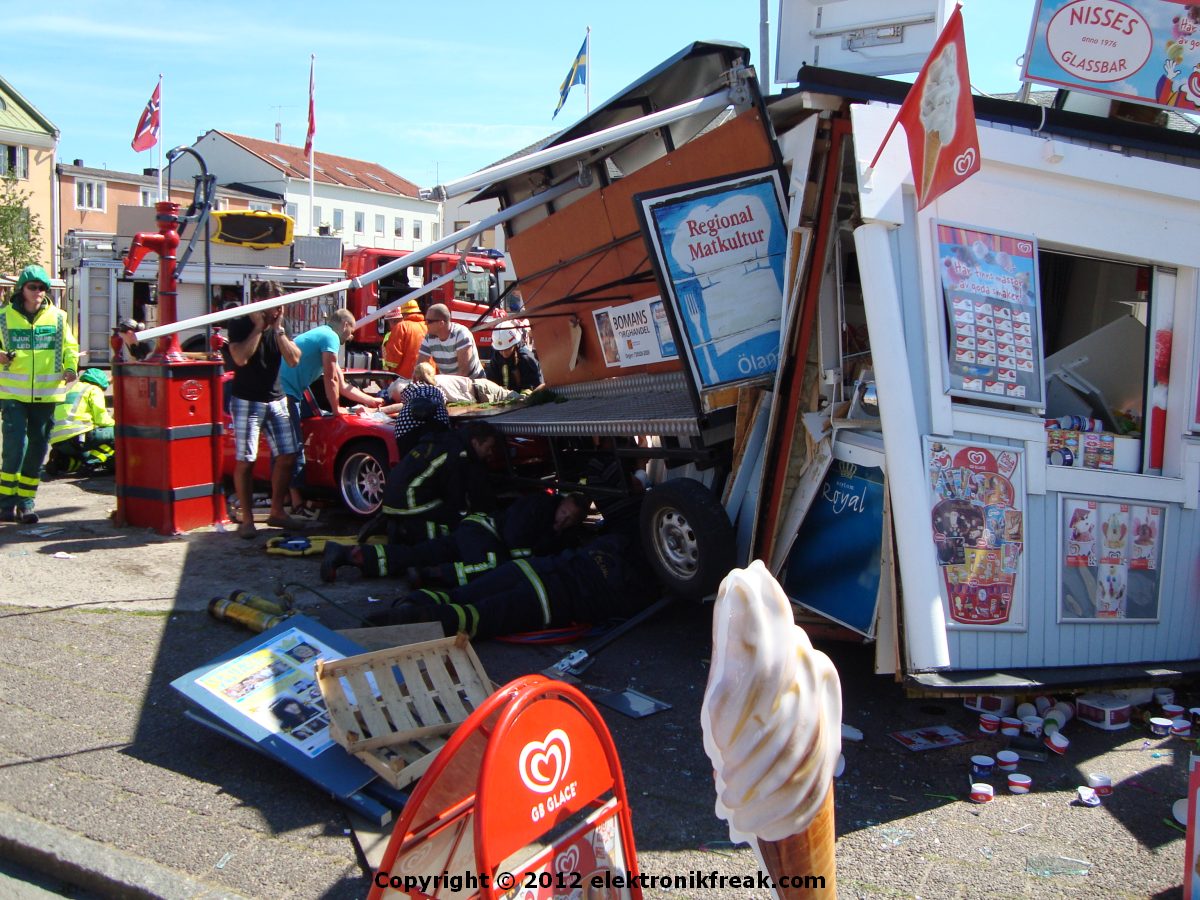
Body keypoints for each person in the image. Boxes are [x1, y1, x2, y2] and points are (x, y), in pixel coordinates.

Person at [368, 531, 658, 641]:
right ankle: (408, 622)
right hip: (550, 597)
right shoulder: (649, 588)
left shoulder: (619, 538)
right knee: (474, 617)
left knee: (457, 596)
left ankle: (407, 609)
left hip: (532, 568)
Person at [321, 490, 588, 584]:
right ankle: (433, 575)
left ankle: (347, 556)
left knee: (418, 553)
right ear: (561, 503)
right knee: (495, 567)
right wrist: (539, 547)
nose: (562, 520)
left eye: (569, 520)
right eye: (564, 512)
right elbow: (513, 538)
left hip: (474, 534)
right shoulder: (540, 506)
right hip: (484, 533)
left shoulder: (560, 530)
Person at [280, 308, 383, 513]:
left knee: (288, 448)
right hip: (285, 394)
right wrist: (337, 410)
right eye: (351, 330)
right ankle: (295, 501)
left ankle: (285, 498)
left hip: (287, 391)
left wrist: (372, 401)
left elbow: (343, 385)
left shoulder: (322, 336)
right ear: (344, 325)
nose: (351, 336)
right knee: (293, 448)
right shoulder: (330, 337)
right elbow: (331, 377)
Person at [0, 266, 79, 523]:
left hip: (46, 395)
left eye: (42, 288)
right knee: (15, 447)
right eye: (33, 287)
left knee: (37, 448)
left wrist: (70, 367)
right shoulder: (3, 317)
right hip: (12, 394)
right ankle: (5, 503)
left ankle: (26, 502)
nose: (38, 292)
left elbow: (70, 347)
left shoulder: (58, 318)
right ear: (21, 289)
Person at [226, 285, 306, 538]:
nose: (279, 309)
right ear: (259, 302)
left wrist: (278, 329)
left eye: (281, 304)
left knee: (288, 454)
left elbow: (294, 359)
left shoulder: (280, 325)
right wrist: (259, 327)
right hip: (246, 399)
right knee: (246, 459)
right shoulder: (239, 320)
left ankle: (277, 512)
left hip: (276, 398)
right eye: (275, 303)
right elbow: (240, 357)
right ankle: (247, 520)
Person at [376, 420, 499, 544]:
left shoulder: (447, 441)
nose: (490, 453)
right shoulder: (457, 455)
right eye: (488, 448)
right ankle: (428, 544)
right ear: (475, 443)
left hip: (391, 498)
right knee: (450, 518)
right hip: (408, 501)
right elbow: (455, 493)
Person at [46, 368, 115, 475]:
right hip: (78, 438)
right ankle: (91, 464)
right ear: (100, 383)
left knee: (82, 458)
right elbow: (101, 420)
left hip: (57, 442)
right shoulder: (94, 389)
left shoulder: (71, 390)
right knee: (119, 433)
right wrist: (117, 425)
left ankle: (61, 462)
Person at [388, 363, 450, 458]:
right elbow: (443, 403)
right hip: (438, 424)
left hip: (408, 428)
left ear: (415, 376)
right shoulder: (439, 391)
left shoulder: (412, 387)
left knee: (410, 462)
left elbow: (398, 399)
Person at [416, 303, 485, 378]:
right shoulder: (429, 338)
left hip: (474, 382)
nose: (425, 323)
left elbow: (464, 372)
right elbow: (420, 366)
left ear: (441, 323)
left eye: (429, 321)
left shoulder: (461, 334)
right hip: (449, 383)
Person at [486, 320, 544, 392]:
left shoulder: (526, 359)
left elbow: (534, 386)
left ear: (515, 345)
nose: (504, 353)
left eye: (507, 349)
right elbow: (491, 381)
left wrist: (521, 399)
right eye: (501, 350)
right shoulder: (496, 357)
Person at [382, 300, 426, 378]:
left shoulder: (401, 327)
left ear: (403, 314)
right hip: (426, 376)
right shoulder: (427, 326)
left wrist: (388, 375)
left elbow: (394, 356)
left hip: (404, 378)